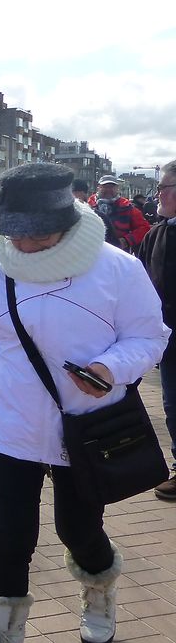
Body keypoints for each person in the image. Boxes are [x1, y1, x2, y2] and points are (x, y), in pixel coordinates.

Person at [0, 163, 169, 643]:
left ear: (69, 221)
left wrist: (109, 369)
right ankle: (3, 629)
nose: (25, 246)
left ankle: (98, 590)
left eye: (39, 236)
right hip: (13, 423)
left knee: (77, 528)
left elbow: (149, 338)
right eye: (15, 235)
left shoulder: (117, 267)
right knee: (9, 533)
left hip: (88, 425)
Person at [138, 159, 176, 501]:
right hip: (168, 338)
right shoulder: (156, 233)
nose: (158, 195)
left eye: (163, 188)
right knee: (173, 403)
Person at [87, 175, 150, 252]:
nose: (108, 189)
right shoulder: (87, 206)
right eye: (105, 186)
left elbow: (144, 228)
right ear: (98, 188)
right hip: (90, 252)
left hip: (118, 253)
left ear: (117, 189)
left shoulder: (127, 207)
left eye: (111, 187)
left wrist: (126, 241)